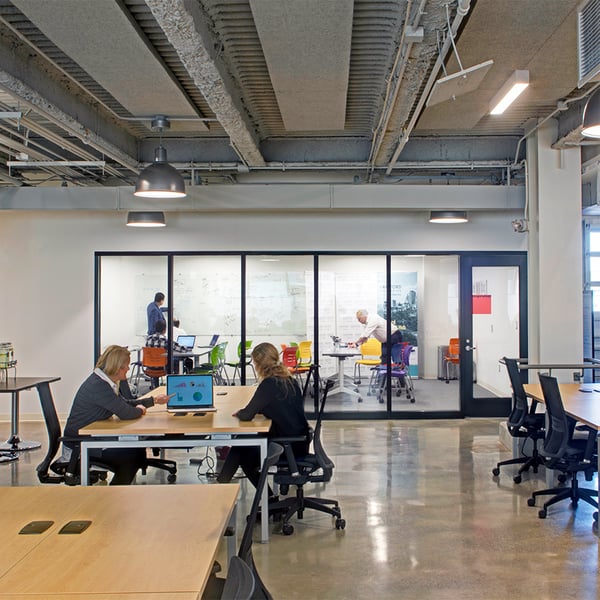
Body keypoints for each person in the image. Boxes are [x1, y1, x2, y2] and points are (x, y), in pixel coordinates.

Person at [63, 345, 171, 485]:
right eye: (126, 365)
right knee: (132, 456)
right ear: (117, 367)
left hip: (90, 439)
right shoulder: (99, 386)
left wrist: (153, 401)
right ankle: (115, 494)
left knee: (135, 451)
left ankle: (117, 492)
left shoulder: (103, 382)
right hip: (80, 446)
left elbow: (124, 403)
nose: (128, 369)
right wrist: (140, 410)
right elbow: (126, 413)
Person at [217, 342, 309, 499]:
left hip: (286, 445)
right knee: (243, 446)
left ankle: (220, 490)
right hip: (299, 441)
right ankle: (266, 499)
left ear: (259, 364)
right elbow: (276, 405)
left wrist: (240, 413)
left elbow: (247, 415)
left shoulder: (269, 384)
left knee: (241, 450)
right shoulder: (289, 380)